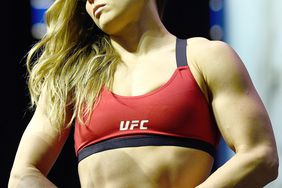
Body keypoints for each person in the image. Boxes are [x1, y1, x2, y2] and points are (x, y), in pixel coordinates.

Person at [9, 0, 278, 187]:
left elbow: (260, 156)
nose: (90, 1)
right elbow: (22, 175)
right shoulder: (74, 79)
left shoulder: (205, 58)